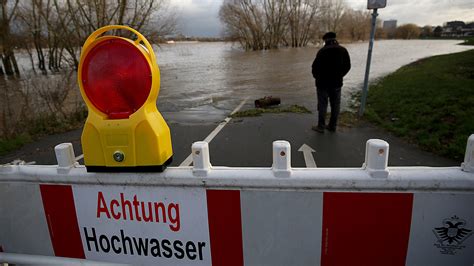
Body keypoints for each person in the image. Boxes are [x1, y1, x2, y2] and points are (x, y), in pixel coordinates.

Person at [311, 32, 351, 133]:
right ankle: (332, 126)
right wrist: (340, 75)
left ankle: (321, 126)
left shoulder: (322, 51)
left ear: (325, 40)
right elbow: (348, 66)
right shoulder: (343, 50)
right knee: (335, 105)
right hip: (336, 83)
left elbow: (314, 68)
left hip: (322, 84)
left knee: (322, 105)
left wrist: (317, 78)